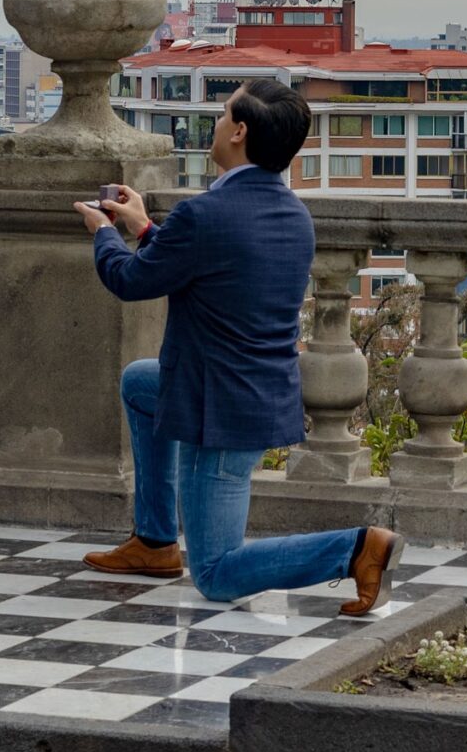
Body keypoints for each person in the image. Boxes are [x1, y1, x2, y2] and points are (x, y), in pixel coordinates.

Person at [75, 79, 402, 613]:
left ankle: (356, 549)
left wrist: (103, 233)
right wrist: (145, 228)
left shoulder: (205, 216)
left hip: (218, 411)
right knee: (140, 382)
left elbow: (131, 282)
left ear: (240, 131)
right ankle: (156, 542)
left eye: (224, 113)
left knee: (216, 572)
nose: (218, 121)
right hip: (258, 392)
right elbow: (213, 267)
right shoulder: (293, 215)